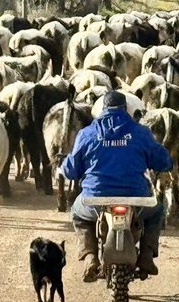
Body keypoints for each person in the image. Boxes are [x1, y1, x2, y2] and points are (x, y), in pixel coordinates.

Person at [59, 91, 172, 283]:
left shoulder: (87, 134)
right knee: (156, 212)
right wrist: (165, 163)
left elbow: (71, 170)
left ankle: (90, 256)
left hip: (95, 199)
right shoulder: (141, 132)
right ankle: (146, 256)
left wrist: (65, 167)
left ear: (103, 109)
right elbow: (163, 160)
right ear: (126, 109)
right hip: (136, 199)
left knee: (78, 214)